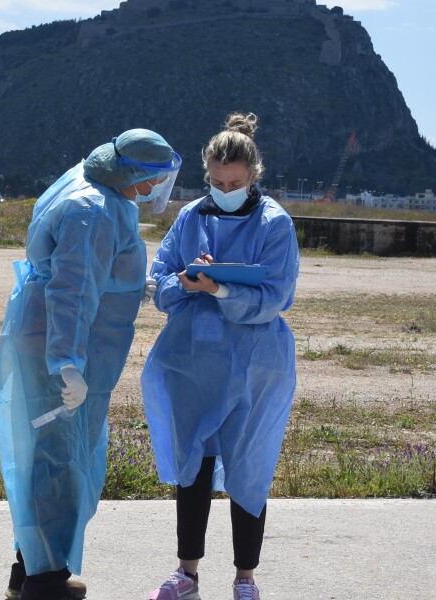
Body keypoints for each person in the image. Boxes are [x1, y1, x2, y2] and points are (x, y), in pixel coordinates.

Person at [0, 129, 182, 600]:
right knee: (58, 456)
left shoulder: (94, 184)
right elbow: (72, 293)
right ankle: (46, 578)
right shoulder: (93, 210)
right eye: (155, 178)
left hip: (60, 342)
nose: (157, 189)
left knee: (49, 449)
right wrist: (68, 365)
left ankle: (30, 565)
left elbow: (92, 277)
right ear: (135, 174)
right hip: (62, 349)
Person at [141, 113, 299, 600]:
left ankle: (245, 579)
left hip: (256, 363)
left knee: (249, 466)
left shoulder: (274, 224)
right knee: (194, 464)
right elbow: (159, 279)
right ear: (206, 176)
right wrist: (188, 283)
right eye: (215, 181)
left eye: (234, 182)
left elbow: (276, 295)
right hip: (194, 360)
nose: (224, 188)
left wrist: (223, 288)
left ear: (253, 176)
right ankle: (186, 573)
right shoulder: (192, 217)